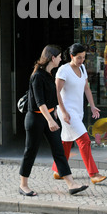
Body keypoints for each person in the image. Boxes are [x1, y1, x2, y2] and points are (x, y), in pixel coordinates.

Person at [19, 45, 89, 197]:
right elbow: (40, 102)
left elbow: (52, 97)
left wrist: (56, 110)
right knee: (30, 152)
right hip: (36, 119)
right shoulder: (37, 76)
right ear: (52, 58)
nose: (60, 59)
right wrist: (50, 120)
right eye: (58, 57)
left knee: (58, 150)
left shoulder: (50, 74)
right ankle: (23, 185)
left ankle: (71, 184)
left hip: (50, 116)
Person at [52, 43, 107, 184]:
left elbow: (86, 88)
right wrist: (63, 112)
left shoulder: (82, 68)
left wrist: (93, 106)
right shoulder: (63, 70)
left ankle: (58, 170)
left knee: (66, 141)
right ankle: (94, 174)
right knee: (85, 140)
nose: (82, 60)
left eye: (83, 57)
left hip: (78, 111)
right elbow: (56, 92)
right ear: (71, 56)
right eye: (79, 58)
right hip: (67, 111)